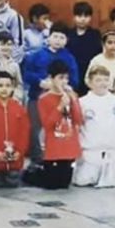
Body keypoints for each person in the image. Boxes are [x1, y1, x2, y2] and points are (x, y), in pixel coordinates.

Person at [22, 22, 79, 165]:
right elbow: (26, 73)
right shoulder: (36, 55)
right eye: (55, 36)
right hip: (37, 97)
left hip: (60, 101)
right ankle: (37, 159)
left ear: (66, 41)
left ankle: (59, 156)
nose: (58, 40)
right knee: (35, 128)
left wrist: (64, 86)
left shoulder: (69, 58)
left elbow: (74, 79)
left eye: (62, 38)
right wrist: (39, 82)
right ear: (49, 37)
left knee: (58, 127)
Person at [29, 61, 82, 190]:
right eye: (60, 78)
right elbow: (47, 124)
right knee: (52, 185)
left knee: (64, 184)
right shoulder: (44, 99)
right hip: (53, 150)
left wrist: (73, 100)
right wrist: (60, 107)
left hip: (68, 148)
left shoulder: (70, 96)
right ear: (51, 78)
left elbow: (78, 119)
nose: (64, 82)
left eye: (66, 78)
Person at [73, 66, 115, 188]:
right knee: (84, 180)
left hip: (113, 151)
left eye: (105, 80)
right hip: (90, 152)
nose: (103, 83)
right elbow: (77, 126)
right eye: (98, 80)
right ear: (90, 82)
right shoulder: (82, 102)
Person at [66, 1, 102, 96]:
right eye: (79, 16)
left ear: (90, 18)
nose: (82, 19)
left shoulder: (95, 34)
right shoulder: (68, 34)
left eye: (86, 16)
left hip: (89, 72)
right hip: (71, 74)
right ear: (74, 17)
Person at [85, 30, 115, 97]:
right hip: (97, 96)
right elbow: (87, 80)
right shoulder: (96, 61)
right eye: (110, 43)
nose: (113, 46)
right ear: (103, 44)